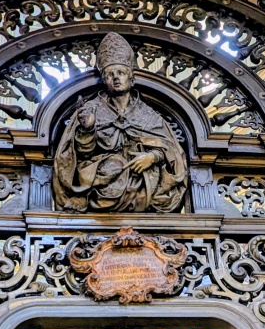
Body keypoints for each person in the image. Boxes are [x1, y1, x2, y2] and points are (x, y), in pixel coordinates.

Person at [54, 33, 188, 213]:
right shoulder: (90, 109)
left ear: (131, 78)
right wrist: (87, 130)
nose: (116, 78)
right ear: (104, 80)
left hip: (144, 181)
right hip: (103, 181)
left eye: (121, 73)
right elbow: (76, 155)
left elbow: (171, 149)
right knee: (112, 164)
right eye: (110, 74)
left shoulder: (149, 114)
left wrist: (153, 157)